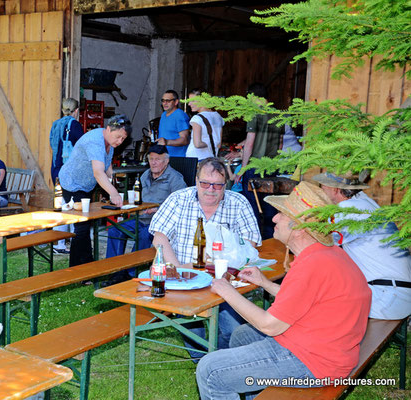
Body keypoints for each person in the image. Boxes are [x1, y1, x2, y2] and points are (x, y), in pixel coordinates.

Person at [196, 181, 371, 399]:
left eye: (282, 214)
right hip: (329, 348)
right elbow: (307, 301)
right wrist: (265, 283)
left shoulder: (312, 264)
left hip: (315, 363)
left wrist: (226, 290)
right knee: (241, 335)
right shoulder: (325, 254)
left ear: (299, 228)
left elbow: (269, 326)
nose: (274, 218)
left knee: (210, 370)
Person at [149, 157, 261, 355]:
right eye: (205, 183)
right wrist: (179, 270)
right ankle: (204, 361)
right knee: (193, 329)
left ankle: (225, 361)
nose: (210, 190)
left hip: (226, 279)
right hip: (185, 278)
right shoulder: (178, 199)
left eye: (217, 185)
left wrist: (227, 269)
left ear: (225, 185)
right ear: (196, 180)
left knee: (232, 329)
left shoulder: (239, 203)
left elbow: (250, 244)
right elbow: (159, 239)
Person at [313, 172, 411, 320]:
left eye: (323, 186)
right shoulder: (364, 202)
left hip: (387, 297)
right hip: (397, 293)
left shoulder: (348, 209)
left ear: (335, 189)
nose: (321, 190)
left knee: (318, 303)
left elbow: (322, 240)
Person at [58, 114, 132, 267]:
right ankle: (76, 269)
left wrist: (113, 181)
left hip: (86, 185)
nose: (119, 142)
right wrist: (113, 193)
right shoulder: (95, 141)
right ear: (109, 129)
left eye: (123, 139)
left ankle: (87, 265)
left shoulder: (109, 142)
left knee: (87, 223)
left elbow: (107, 166)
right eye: (118, 137)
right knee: (81, 226)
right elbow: (98, 172)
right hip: (72, 182)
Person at [105, 144, 186, 265]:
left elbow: (181, 205)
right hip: (140, 218)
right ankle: (113, 268)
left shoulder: (175, 178)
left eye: (157, 159)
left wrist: (156, 210)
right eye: (151, 159)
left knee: (144, 235)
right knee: (114, 230)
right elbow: (137, 198)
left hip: (159, 223)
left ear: (166, 161)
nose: (153, 163)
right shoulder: (145, 175)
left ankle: (131, 270)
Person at [236, 83, 283, 239]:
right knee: (269, 204)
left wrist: (242, 169)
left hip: (255, 166)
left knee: (252, 207)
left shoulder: (254, 113)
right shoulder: (277, 113)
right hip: (271, 165)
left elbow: (250, 143)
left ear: (251, 96)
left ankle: (255, 241)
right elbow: (280, 142)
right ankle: (271, 239)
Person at [49, 98, 84, 255]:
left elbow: (52, 144)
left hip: (55, 167)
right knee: (71, 205)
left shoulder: (56, 124)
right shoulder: (75, 125)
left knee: (61, 204)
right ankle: (64, 241)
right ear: (76, 111)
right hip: (69, 170)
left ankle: (59, 242)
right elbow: (82, 146)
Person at [186, 89, 224, 160]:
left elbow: (197, 144)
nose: (189, 104)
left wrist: (208, 143)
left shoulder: (197, 118)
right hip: (211, 157)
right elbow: (219, 144)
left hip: (196, 157)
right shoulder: (218, 117)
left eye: (193, 101)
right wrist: (212, 143)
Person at [157, 90, 190, 157]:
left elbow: (185, 140)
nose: (165, 103)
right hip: (164, 157)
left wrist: (167, 142)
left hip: (177, 158)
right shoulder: (164, 114)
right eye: (163, 101)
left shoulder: (180, 115)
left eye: (168, 101)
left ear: (176, 102)